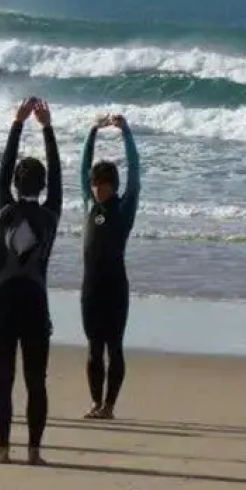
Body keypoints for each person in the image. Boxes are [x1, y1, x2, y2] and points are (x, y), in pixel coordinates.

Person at [0, 97, 62, 465]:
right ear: (44, 184)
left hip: (2, 303)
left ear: (16, 184)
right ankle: (34, 451)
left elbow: (2, 170)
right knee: (36, 380)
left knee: (3, 379)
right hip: (35, 303)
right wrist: (46, 127)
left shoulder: (4, 208)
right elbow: (60, 176)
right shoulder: (50, 215)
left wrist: (17, 124)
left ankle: (2, 449)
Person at [78, 113, 141, 419]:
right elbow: (82, 168)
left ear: (112, 186)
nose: (96, 190)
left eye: (102, 186)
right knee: (93, 347)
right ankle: (95, 403)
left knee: (114, 346)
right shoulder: (89, 204)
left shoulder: (124, 206)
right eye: (94, 185)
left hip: (116, 287)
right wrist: (92, 131)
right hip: (90, 287)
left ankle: (110, 405)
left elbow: (136, 173)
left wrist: (125, 131)